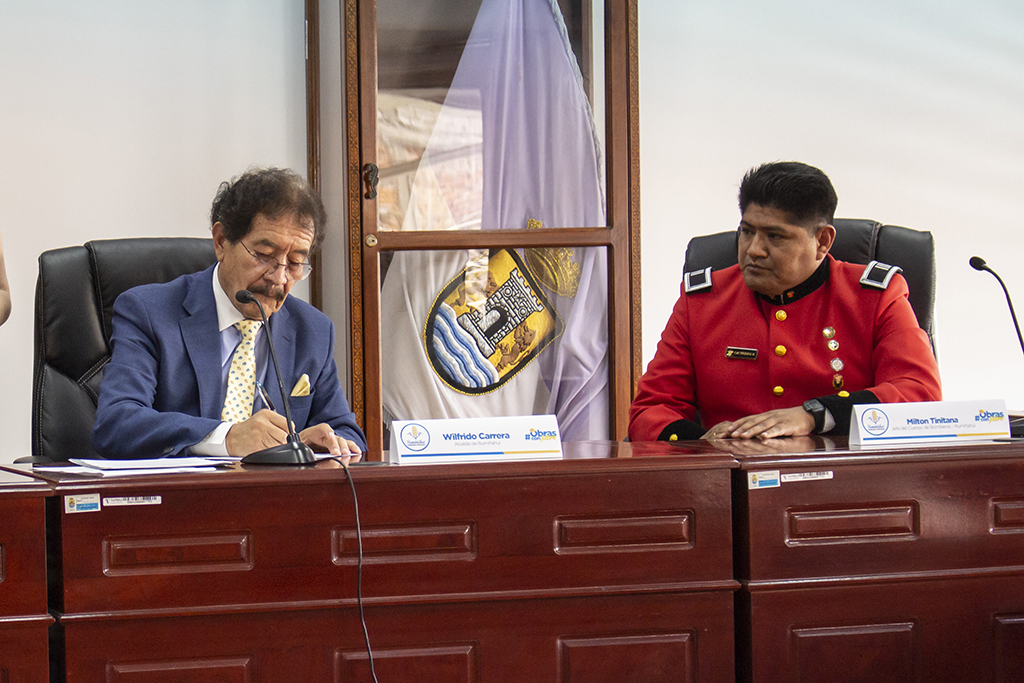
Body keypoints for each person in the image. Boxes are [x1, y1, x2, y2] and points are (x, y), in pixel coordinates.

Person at [628, 161, 941, 442]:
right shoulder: (701, 302)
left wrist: (814, 416)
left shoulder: (874, 297)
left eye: (775, 236)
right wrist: (703, 443)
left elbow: (920, 394)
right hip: (731, 479)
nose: (754, 249)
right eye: (747, 232)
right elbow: (651, 410)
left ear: (823, 241)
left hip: (846, 478)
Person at [92, 167, 365, 459]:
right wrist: (228, 437)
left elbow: (348, 434)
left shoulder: (313, 330)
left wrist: (318, 443)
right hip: (182, 487)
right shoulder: (149, 312)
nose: (279, 278)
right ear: (221, 241)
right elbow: (117, 423)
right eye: (264, 255)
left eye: (296, 262)